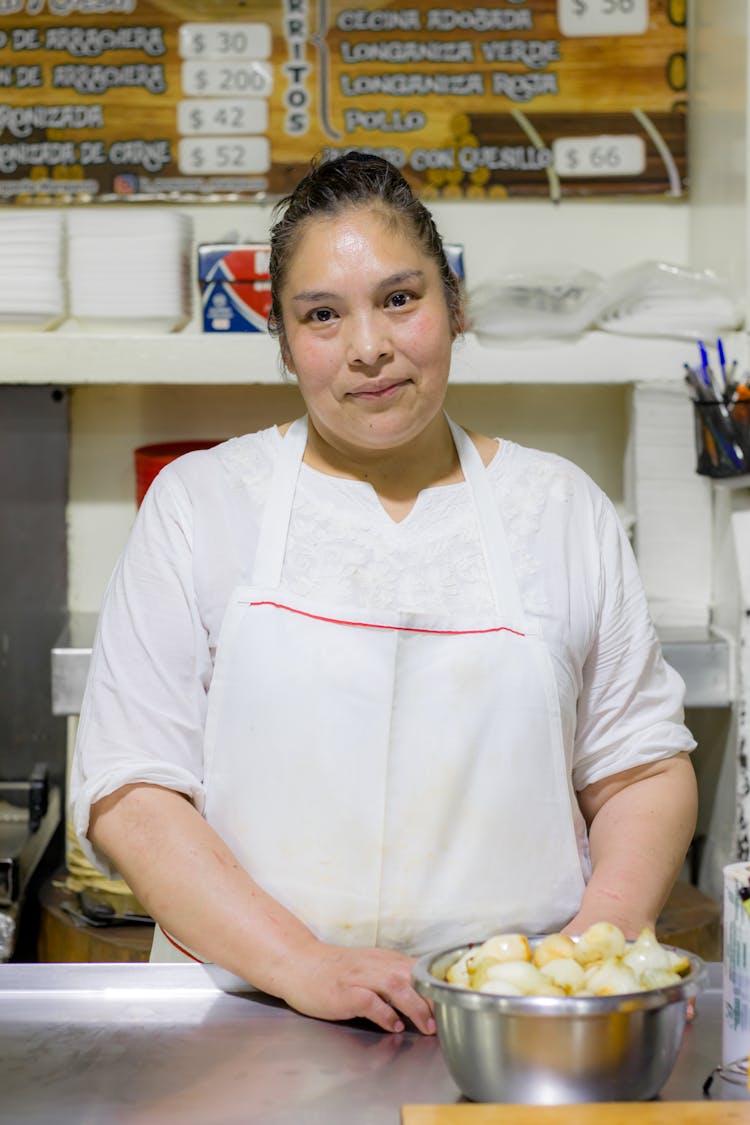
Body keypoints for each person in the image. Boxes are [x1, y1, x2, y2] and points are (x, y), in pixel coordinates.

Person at [70, 151, 698, 1037]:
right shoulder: (202, 504)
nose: (369, 347)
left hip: (511, 1020)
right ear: (284, 340)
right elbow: (132, 788)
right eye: (322, 315)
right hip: (245, 1020)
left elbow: (641, 766)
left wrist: (589, 951)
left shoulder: (558, 510)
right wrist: (301, 964)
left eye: (400, 299)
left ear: (454, 304)